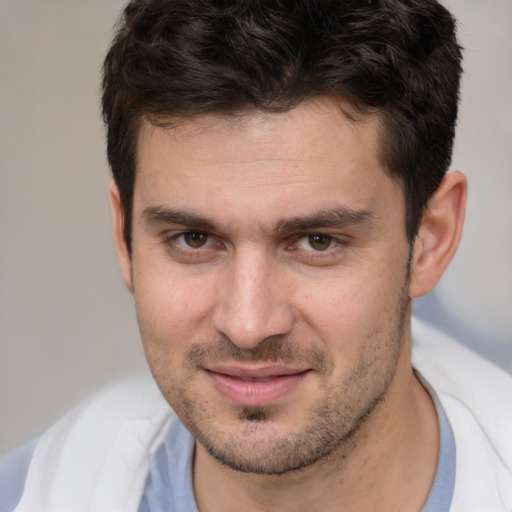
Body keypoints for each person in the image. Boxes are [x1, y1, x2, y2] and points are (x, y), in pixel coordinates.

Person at [1, 0, 511, 511]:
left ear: (430, 238)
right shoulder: (33, 493)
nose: (247, 325)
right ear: (124, 237)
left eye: (317, 241)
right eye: (193, 239)